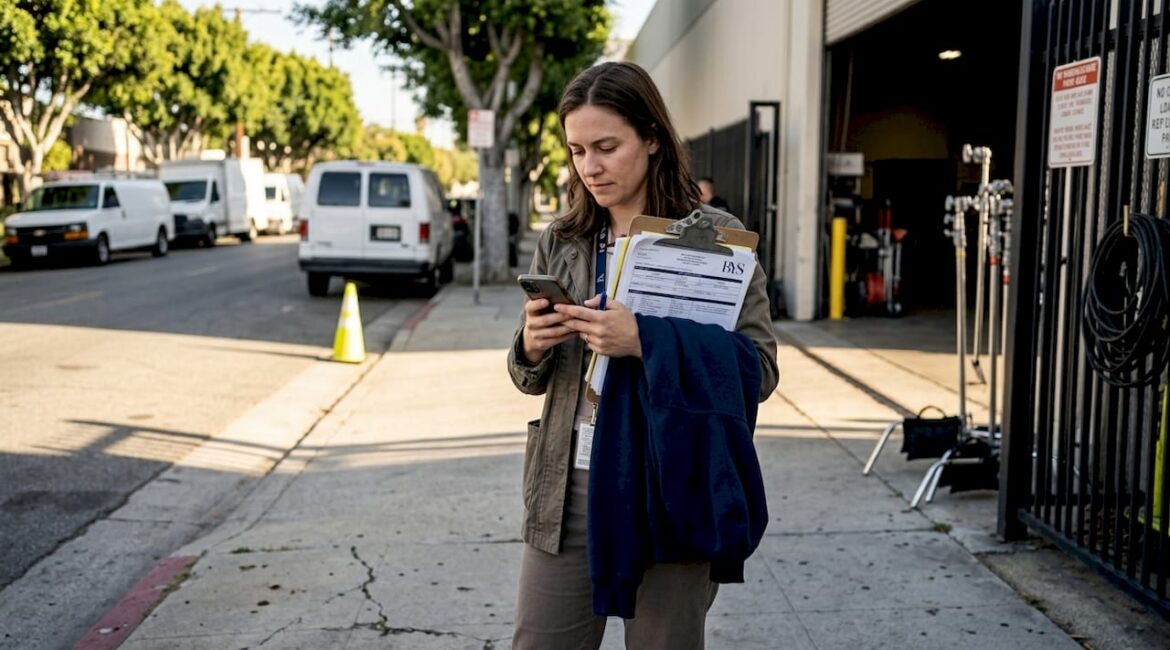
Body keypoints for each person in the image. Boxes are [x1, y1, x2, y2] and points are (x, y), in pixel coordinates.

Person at [506, 61, 779, 649]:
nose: (590, 167)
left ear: (652, 138)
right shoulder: (564, 238)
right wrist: (532, 342)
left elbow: (758, 370)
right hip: (569, 482)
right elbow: (528, 376)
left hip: (671, 476)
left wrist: (646, 341)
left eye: (607, 147)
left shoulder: (717, 238)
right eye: (577, 150)